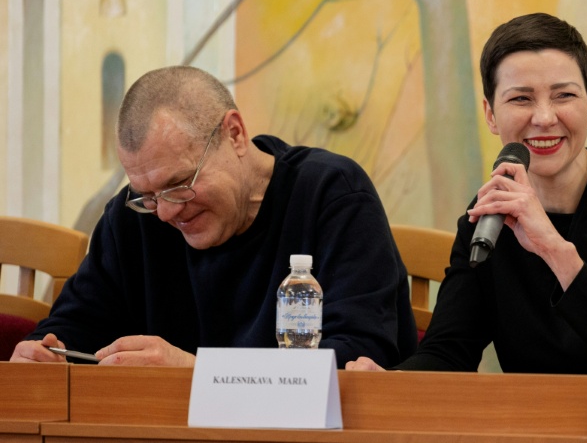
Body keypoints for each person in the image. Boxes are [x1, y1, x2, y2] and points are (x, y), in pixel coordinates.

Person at [346, 12, 587, 374]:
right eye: (521, 99)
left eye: (564, 95)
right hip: (528, 427)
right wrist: (392, 382)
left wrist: (553, 248)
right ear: (490, 115)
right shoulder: (490, 215)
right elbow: (449, 353)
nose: (545, 117)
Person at [11, 66, 417, 367]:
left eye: (179, 183)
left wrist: (196, 373)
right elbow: (78, 323)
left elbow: (360, 357)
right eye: (148, 195)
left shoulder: (331, 195)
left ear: (235, 134)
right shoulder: (134, 217)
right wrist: (46, 354)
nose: (166, 212)